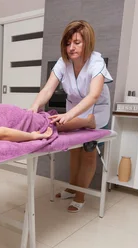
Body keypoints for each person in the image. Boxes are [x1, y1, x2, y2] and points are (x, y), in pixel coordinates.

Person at [28, 20, 113, 213]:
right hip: (74, 108)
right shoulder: (62, 63)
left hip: (96, 108)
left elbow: (93, 95)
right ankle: (71, 187)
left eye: (77, 42)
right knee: (74, 150)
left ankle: (80, 194)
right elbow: (48, 88)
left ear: (87, 43)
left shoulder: (96, 62)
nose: (71, 47)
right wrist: (34, 107)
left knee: (88, 152)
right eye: (68, 43)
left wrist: (69, 116)